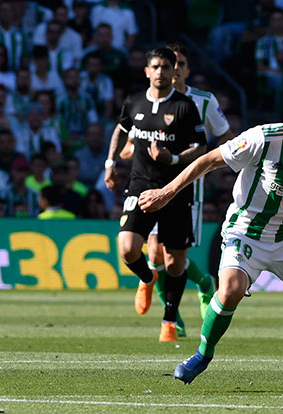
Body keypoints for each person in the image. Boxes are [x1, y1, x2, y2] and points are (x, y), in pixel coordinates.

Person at [138, 84, 283, 394]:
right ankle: (203, 354)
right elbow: (209, 160)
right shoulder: (263, 138)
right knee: (230, 290)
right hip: (245, 232)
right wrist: (166, 193)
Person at [119, 43, 234, 338]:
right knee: (154, 254)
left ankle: (193, 294)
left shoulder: (202, 101)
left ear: (185, 69)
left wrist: (209, 167)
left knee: (173, 257)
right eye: (170, 64)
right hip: (147, 183)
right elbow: (127, 135)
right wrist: (128, 152)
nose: (174, 70)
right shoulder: (144, 101)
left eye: (179, 64)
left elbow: (225, 138)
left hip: (187, 186)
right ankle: (172, 313)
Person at [104, 47, 207, 342]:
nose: (161, 72)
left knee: (175, 262)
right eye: (156, 66)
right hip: (140, 186)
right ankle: (148, 278)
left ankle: (169, 321)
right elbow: (121, 130)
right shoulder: (134, 101)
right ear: (147, 71)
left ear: (174, 71)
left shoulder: (185, 106)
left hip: (175, 190)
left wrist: (172, 159)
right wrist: (110, 163)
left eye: (166, 67)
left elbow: (200, 147)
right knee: (127, 248)